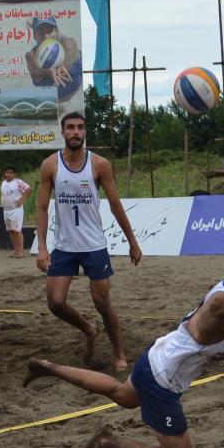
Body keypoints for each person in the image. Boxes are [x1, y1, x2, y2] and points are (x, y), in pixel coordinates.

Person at [25, 198, 224, 448]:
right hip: (162, 379)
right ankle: (107, 443)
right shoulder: (223, 303)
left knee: (122, 395)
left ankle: (48, 367)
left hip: (157, 357)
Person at [35, 110, 144, 372]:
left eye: (80, 128)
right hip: (64, 245)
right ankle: (88, 328)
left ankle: (119, 353)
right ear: (63, 132)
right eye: (70, 127)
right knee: (55, 302)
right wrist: (42, 247)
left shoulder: (99, 164)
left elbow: (116, 205)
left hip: (94, 245)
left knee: (102, 302)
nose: (75, 132)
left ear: (85, 132)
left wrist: (132, 242)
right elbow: (41, 208)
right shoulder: (50, 165)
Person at [23, 15, 84, 98]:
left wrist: (63, 66)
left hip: (77, 91)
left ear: (57, 31)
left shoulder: (68, 43)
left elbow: (70, 47)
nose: (46, 37)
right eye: (41, 33)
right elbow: (35, 71)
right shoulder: (30, 55)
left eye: (49, 31)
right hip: (53, 102)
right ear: (34, 36)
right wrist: (48, 71)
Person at [0, 165, 33, 258]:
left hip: (16, 210)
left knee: (17, 230)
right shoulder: (3, 183)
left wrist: (22, 199)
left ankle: (21, 251)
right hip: (6, 210)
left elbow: (29, 189)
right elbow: (3, 194)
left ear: (14, 174)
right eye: (7, 172)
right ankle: (16, 250)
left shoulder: (18, 182)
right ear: (4, 173)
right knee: (10, 231)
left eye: (11, 172)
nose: (9, 174)